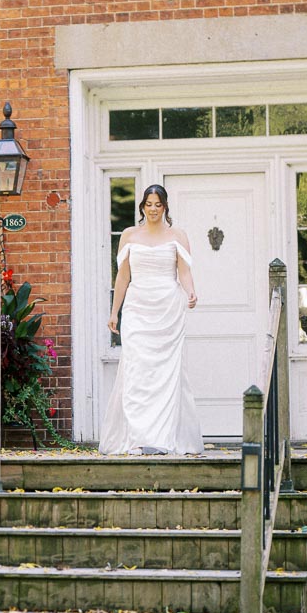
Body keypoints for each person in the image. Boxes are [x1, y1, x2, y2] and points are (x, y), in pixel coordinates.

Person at [98, 185, 203, 456]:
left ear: (165, 206)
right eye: (149, 204)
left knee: (165, 373)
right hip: (137, 308)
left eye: (158, 204)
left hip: (168, 309)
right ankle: (137, 436)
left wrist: (191, 291)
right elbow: (123, 276)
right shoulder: (129, 236)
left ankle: (163, 437)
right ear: (142, 206)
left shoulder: (177, 236)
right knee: (136, 370)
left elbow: (184, 271)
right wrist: (114, 312)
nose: (153, 209)